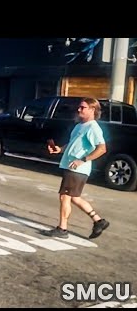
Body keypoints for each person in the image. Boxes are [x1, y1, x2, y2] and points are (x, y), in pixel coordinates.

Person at [43, 97, 109, 240]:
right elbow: (73, 144)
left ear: (92, 110)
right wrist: (59, 149)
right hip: (70, 166)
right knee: (74, 198)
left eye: (83, 107)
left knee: (64, 197)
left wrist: (82, 160)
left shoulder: (93, 127)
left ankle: (62, 228)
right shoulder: (80, 125)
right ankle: (99, 221)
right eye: (79, 107)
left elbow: (102, 148)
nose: (79, 109)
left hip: (77, 169)